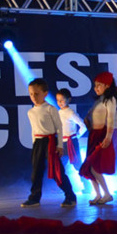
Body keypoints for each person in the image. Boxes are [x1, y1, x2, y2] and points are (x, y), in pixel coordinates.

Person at [22, 79, 77, 208]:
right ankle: (34, 197)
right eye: (31, 94)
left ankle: (70, 196)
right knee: (36, 171)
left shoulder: (50, 109)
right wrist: (34, 144)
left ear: (45, 93)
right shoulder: (30, 112)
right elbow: (34, 130)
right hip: (38, 142)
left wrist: (59, 145)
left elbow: (59, 127)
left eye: (37, 93)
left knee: (58, 170)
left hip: (50, 141)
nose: (34, 97)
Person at [79, 71, 117, 205]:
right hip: (93, 135)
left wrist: (108, 136)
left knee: (94, 167)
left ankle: (107, 194)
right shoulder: (98, 101)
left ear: (107, 85)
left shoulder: (110, 100)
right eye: (95, 85)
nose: (96, 88)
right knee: (89, 167)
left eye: (99, 85)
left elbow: (111, 120)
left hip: (102, 135)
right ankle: (98, 194)